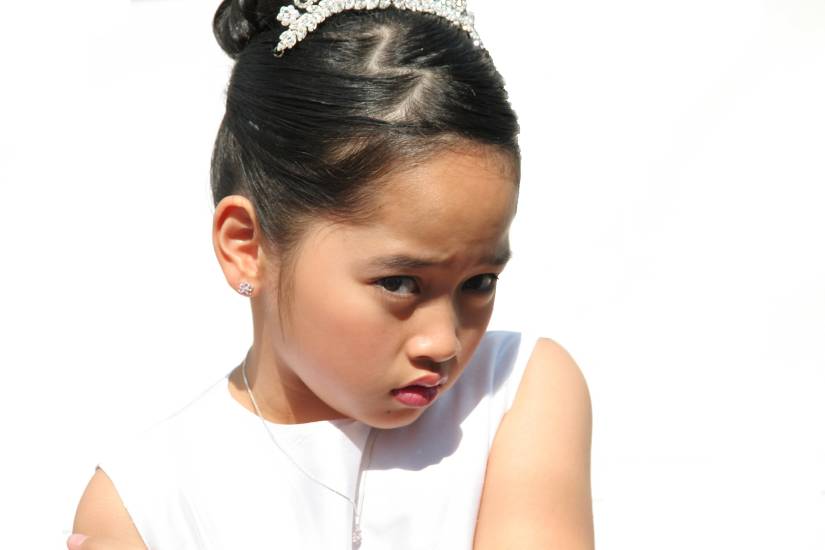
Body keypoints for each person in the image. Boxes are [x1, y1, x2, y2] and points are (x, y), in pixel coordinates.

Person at [67, 0, 594, 548]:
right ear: (247, 246)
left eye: (479, 283)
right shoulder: (146, 503)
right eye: (399, 284)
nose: (444, 343)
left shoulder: (513, 391)